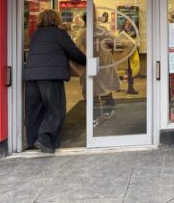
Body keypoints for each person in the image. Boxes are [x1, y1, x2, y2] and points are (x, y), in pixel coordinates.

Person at [23, 9, 86, 153]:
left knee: (35, 110)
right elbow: (73, 51)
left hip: (32, 76)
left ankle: (33, 141)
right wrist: (86, 61)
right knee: (56, 109)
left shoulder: (35, 34)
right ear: (56, 20)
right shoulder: (59, 33)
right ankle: (45, 138)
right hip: (50, 77)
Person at [76, 12, 121, 120]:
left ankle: (94, 115)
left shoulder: (81, 33)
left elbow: (77, 49)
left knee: (92, 90)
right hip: (103, 64)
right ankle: (108, 112)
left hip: (89, 65)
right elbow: (116, 43)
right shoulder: (103, 31)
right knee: (105, 88)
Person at [118, 19, 140, 95]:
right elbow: (115, 42)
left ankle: (130, 88)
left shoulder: (135, 34)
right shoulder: (119, 32)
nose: (128, 25)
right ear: (124, 24)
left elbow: (138, 44)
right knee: (120, 71)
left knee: (131, 72)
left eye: (130, 24)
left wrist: (136, 44)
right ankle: (117, 86)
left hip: (131, 56)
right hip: (122, 55)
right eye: (127, 23)